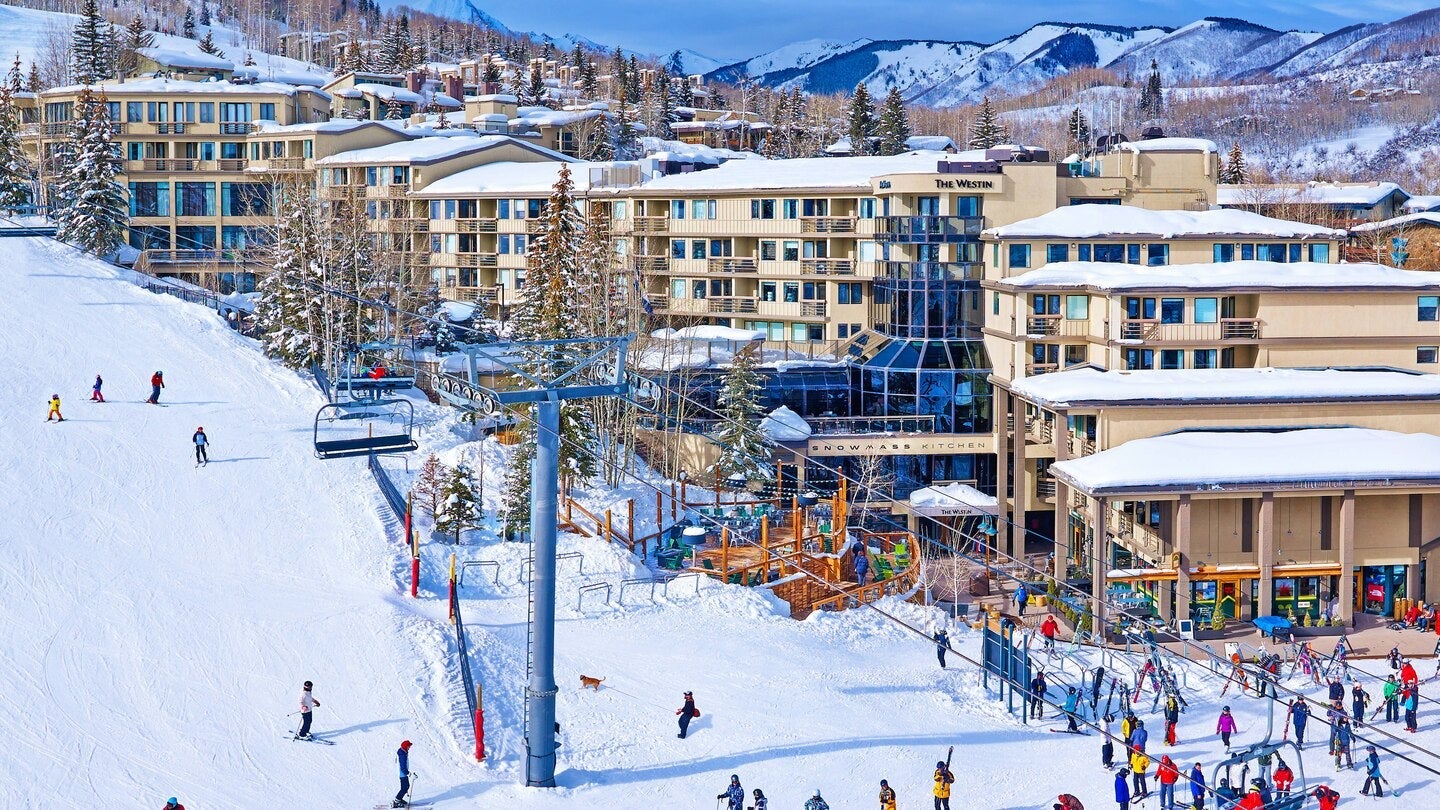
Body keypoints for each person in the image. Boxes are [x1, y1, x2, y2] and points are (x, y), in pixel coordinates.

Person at [392, 740, 412, 808]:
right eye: (409, 746)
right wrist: (408, 773)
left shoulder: (403, 752)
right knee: (404, 787)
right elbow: (403, 767)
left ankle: (399, 799)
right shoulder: (402, 754)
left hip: (403, 773)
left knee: (406, 786)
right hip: (402, 773)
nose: (409, 747)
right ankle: (396, 801)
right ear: (406, 746)